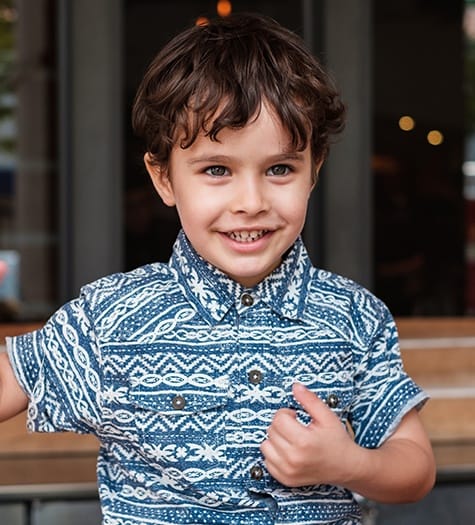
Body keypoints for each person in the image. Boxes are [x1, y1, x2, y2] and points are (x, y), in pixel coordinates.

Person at [0, 12, 435, 525]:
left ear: (314, 170)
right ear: (163, 179)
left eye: (279, 169)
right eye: (216, 170)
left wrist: (351, 463)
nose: (250, 201)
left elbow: (416, 467)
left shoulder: (355, 318)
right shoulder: (110, 319)